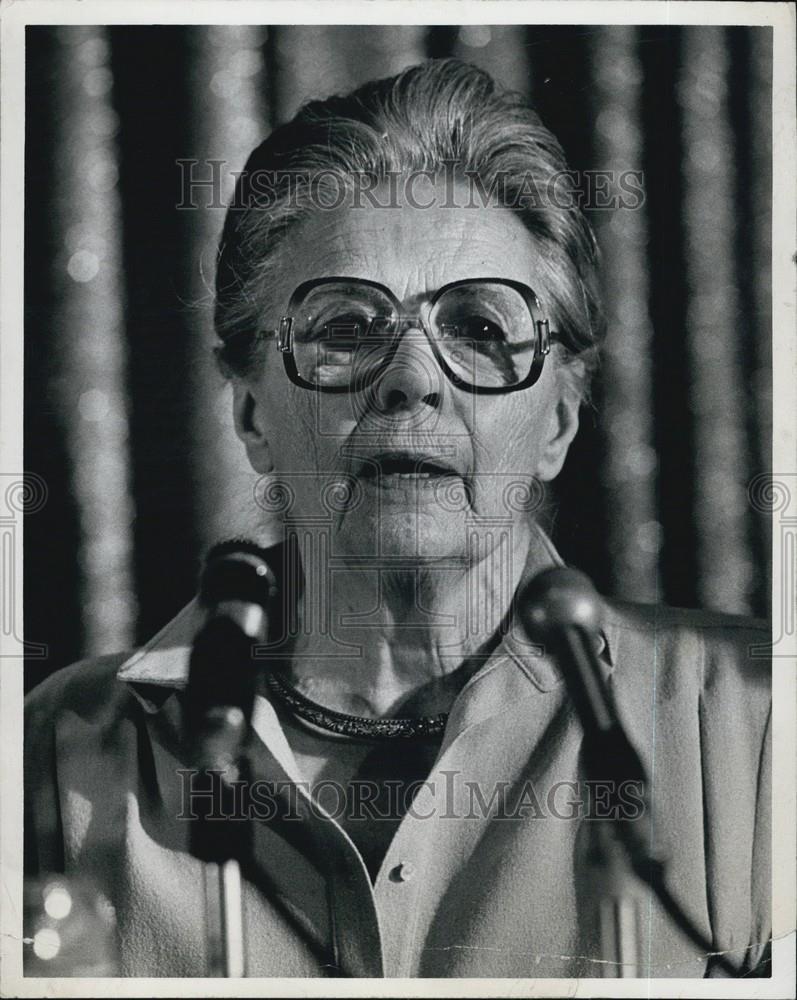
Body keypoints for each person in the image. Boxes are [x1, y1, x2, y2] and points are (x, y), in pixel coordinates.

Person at [25, 58, 770, 978]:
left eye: (481, 330)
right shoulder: (53, 758)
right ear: (252, 415)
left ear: (559, 425)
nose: (412, 380)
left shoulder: (753, 730)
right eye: (344, 328)